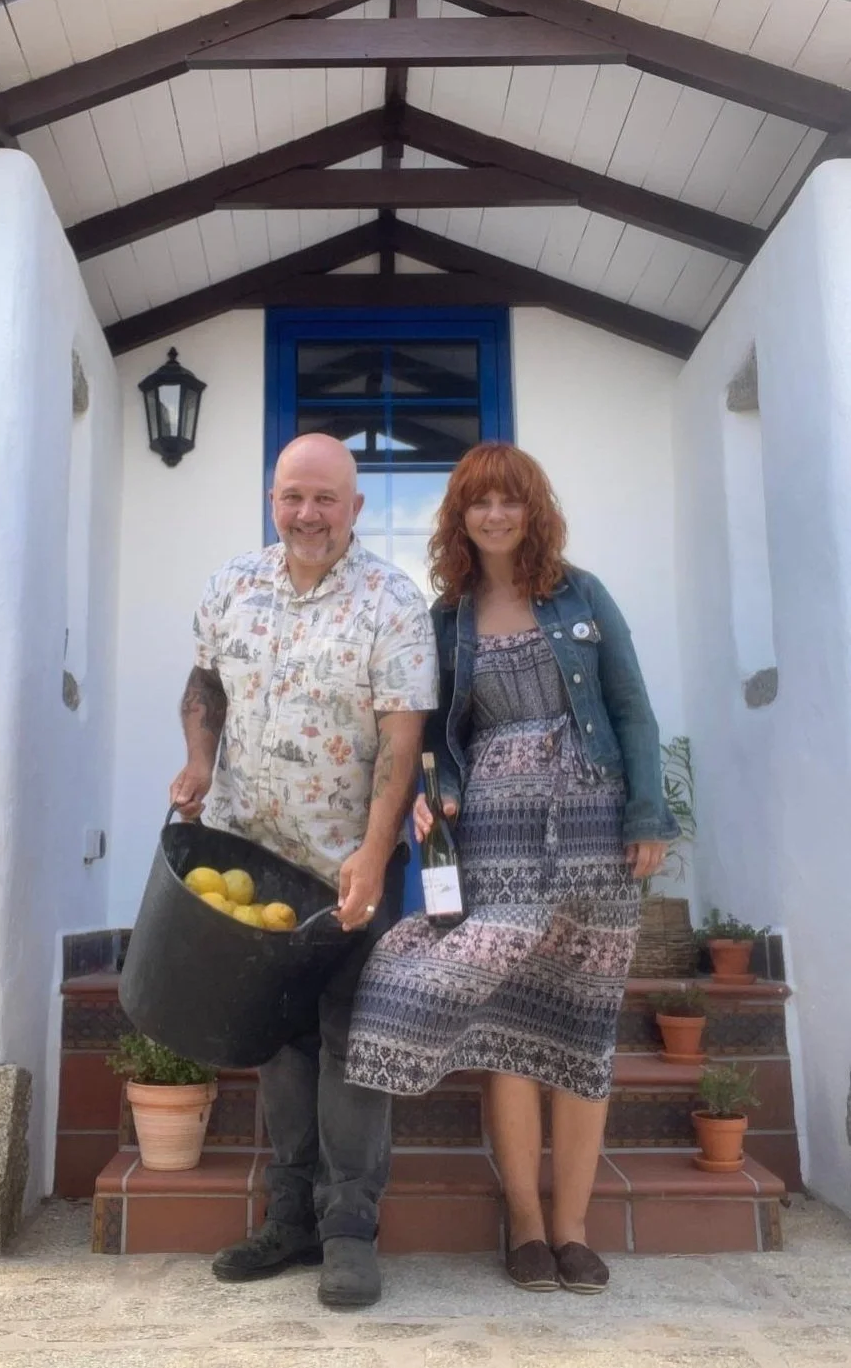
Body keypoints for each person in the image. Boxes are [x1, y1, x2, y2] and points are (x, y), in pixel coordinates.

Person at [347, 442, 677, 1295]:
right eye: (477, 503)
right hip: (495, 832)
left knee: (583, 1025)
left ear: (534, 508)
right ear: (459, 517)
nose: (495, 515)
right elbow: (437, 738)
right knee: (508, 1028)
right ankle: (524, 1226)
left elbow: (632, 707)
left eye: (510, 501)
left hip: (596, 826)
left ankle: (572, 1229)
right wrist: (437, 792)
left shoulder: (582, 593)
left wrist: (648, 813)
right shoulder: (447, 613)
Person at [169, 433, 437, 1309]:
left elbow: (403, 741)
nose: (308, 513)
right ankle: (288, 1216)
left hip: (350, 867)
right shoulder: (230, 585)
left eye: (326, 498)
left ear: (355, 508)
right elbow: (204, 684)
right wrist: (200, 759)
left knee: (352, 1040)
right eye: (293, 496)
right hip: (253, 862)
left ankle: (350, 1229)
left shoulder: (392, 603)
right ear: (271, 498)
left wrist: (373, 846)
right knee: (283, 1043)